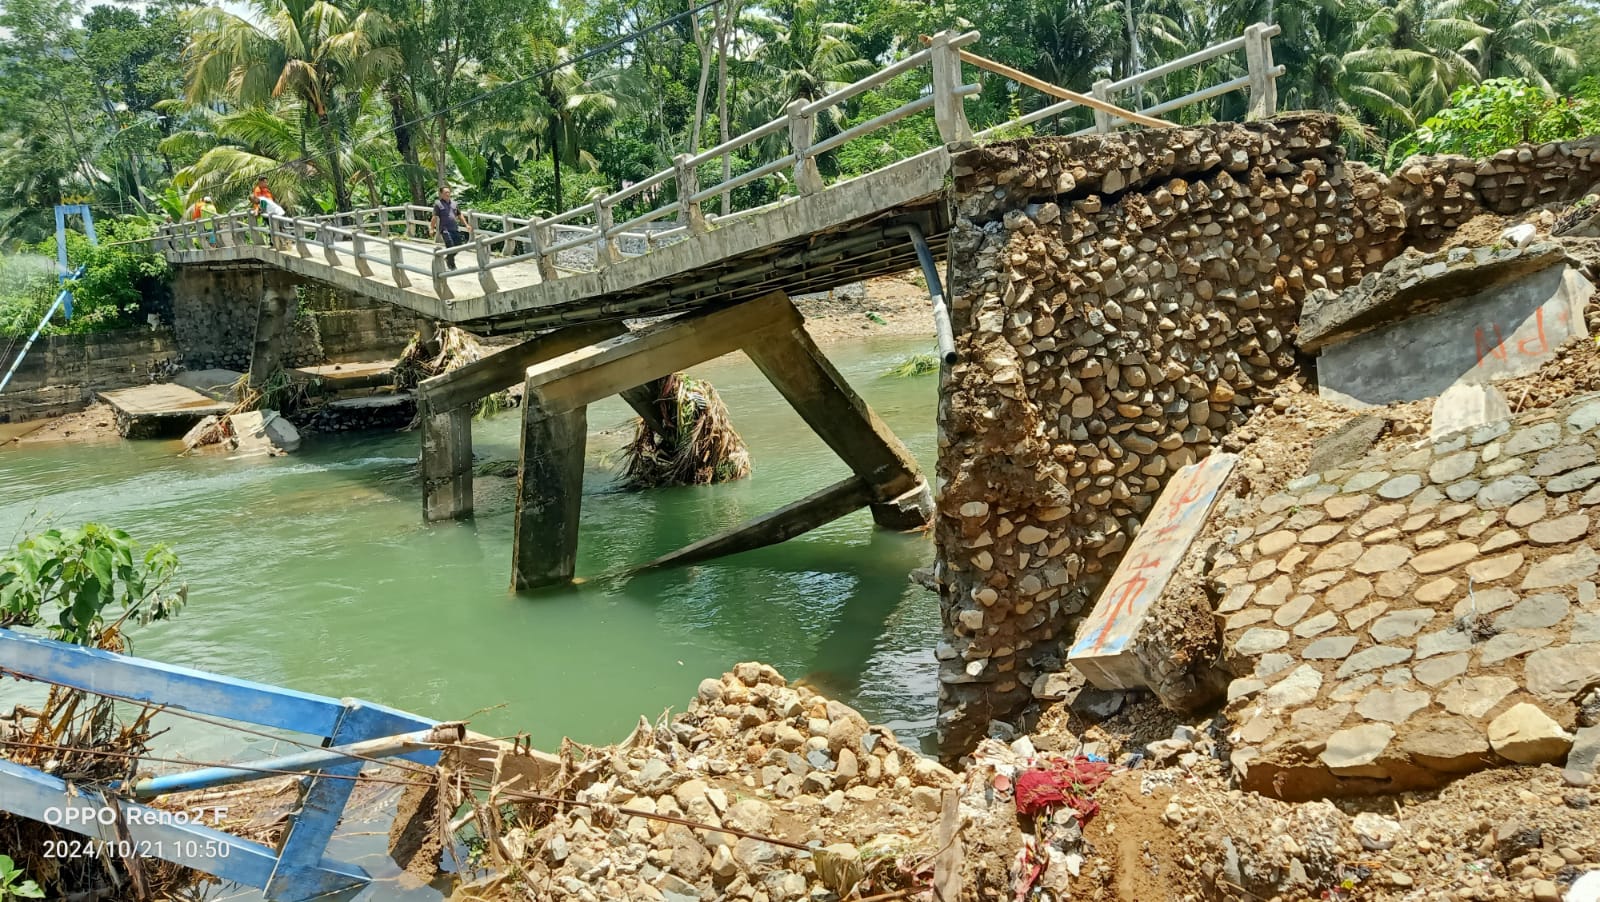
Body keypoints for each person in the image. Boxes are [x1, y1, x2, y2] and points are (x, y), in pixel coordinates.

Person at [429, 186, 471, 270]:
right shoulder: (438, 204)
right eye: (445, 192)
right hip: (445, 229)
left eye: (448, 192)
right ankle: (452, 265)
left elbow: (460, 215)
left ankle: (448, 258)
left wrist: (466, 225)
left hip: (454, 228)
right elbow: (434, 217)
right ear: (441, 194)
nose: (448, 194)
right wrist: (431, 228)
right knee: (450, 246)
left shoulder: (454, 204)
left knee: (459, 245)